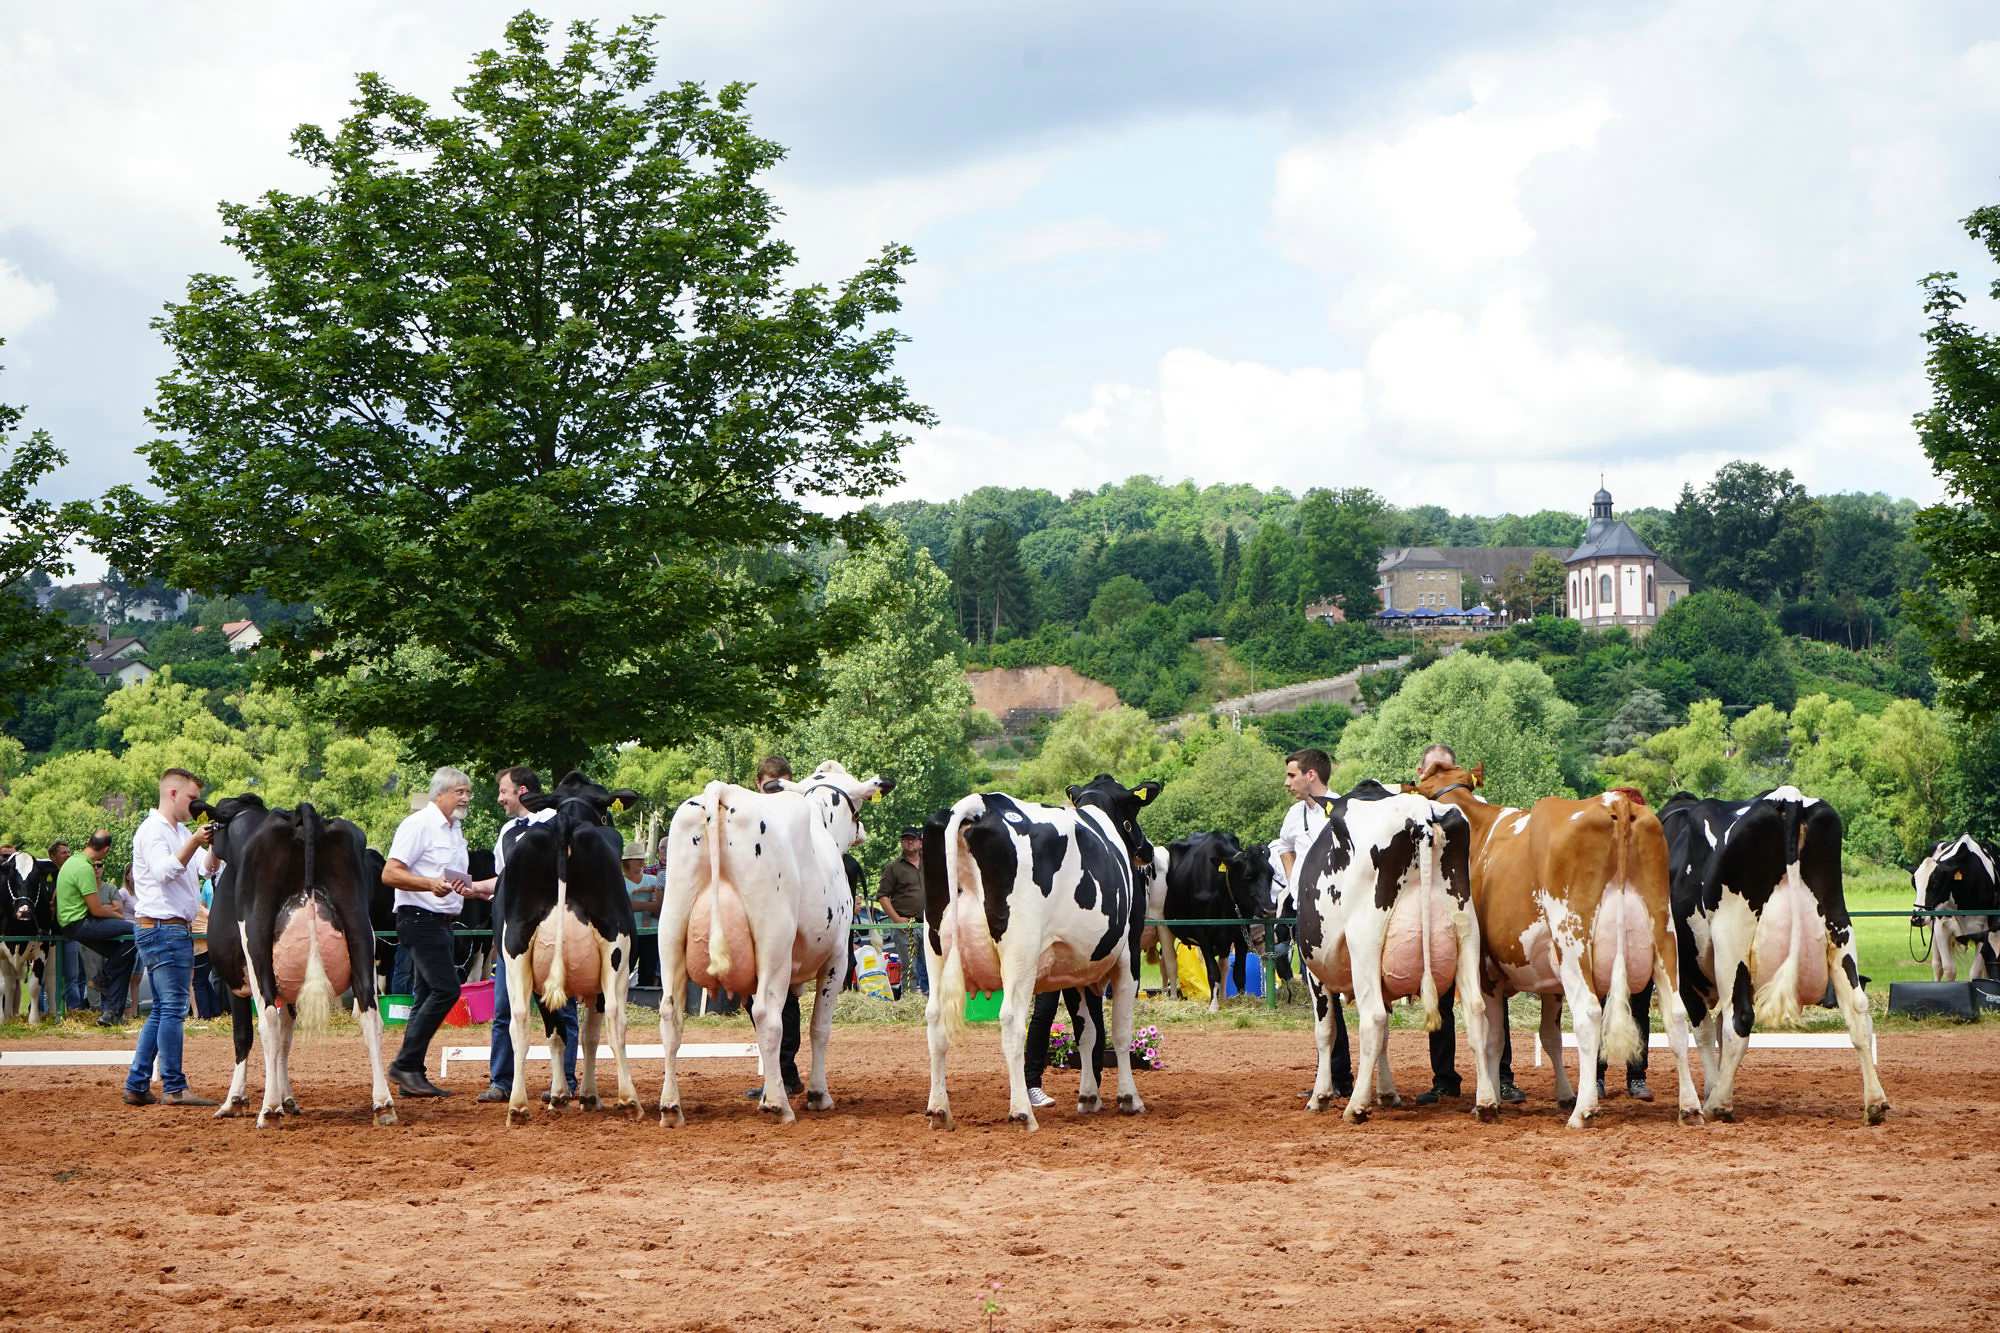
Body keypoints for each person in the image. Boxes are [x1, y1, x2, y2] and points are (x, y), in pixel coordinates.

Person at [1414, 743, 1524, 1106]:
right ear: (1420, 775)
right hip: (1438, 910)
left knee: (1492, 991)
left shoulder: (1478, 808)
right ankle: (1445, 1079)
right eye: (1431, 771)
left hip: (1478, 907)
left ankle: (1502, 1076)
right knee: (1442, 996)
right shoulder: (1415, 809)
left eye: (1444, 768)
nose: (1438, 775)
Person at [473, 766, 579, 1104]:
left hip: (552, 930)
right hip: (513, 934)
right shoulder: (506, 831)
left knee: (560, 1006)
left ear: (521, 791)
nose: (500, 798)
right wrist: (474, 888)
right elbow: (504, 880)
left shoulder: (558, 820)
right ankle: (502, 1081)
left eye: (504, 791)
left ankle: (566, 1080)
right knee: (505, 1008)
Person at [122, 768, 219, 1106]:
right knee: (174, 1008)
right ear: (173, 794)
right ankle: (174, 1087)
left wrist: (214, 845)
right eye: (192, 799)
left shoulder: (176, 831)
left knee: (164, 1008)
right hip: (164, 928)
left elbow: (204, 870)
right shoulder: (153, 831)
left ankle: (138, 1083)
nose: (196, 807)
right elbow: (165, 872)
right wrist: (195, 841)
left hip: (165, 928)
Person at [383, 767, 476, 1099]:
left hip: (441, 921)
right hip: (419, 918)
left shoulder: (455, 831)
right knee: (446, 991)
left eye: (468, 792)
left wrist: (467, 890)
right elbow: (390, 872)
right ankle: (405, 1065)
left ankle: (413, 1073)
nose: (465, 798)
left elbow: (449, 875)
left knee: (426, 996)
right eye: (459, 792)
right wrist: (428, 884)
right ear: (440, 793)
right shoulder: (419, 824)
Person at [1279, 748, 1352, 1098]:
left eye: (1292, 775)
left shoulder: (1345, 808)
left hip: (1343, 912)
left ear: (1311, 776)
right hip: (1306, 914)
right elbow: (1284, 846)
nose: (1287, 782)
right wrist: (1295, 882)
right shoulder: (1294, 814)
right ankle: (1334, 1077)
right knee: (1322, 998)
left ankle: (1349, 1078)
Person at [743, 754, 804, 1099]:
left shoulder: (795, 817)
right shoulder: (749, 815)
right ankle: (780, 1072)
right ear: (758, 783)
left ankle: (785, 1073)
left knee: (784, 996)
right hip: (756, 916)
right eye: (770, 785)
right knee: (758, 999)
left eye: (779, 784)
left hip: (785, 918)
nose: (774, 790)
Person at [56, 830, 134, 1027]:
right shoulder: (84, 868)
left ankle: (111, 1014)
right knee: (136, 932)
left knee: (124, 955)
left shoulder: (73, 861)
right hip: (79, 924)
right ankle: (103, 978)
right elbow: (97, 909)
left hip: (71, 923)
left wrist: (108, 911)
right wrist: (117, 914)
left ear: (88, 842)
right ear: (106, 850)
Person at [876, 827, 928, 996]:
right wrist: (896, 919)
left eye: (912, 839)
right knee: (909, 967)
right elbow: (883, 896)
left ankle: (933, 1000)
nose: (909, 842)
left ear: (920, 842)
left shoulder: (932, 863)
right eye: (905, 839)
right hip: (905, 925)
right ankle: (911, 1001)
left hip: (929, 924)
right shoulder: (893, 867)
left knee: (932, 966)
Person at [44, 842, 88, 1014]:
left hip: (71, 932)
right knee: (47, 977)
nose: (68, 855)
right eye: (63, 852)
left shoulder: (73, 874)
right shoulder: (44, 876)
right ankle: (47, 1011)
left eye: (69, 852)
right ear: (53, 856)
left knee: (74, 975)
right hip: (49, 935)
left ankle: (74, 1011)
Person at [620, 842, 663, 990]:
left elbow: (659, 907)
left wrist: (634, 905)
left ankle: (644, 1000)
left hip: (652, 933)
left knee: (648, 972)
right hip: (627, 934)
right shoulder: (619, 882)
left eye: (641, 858)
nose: (641, 861)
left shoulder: (652, 880)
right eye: (636, 858)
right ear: (626, 861)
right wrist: (647, 905)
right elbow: (623, 907)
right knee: (624, 969)